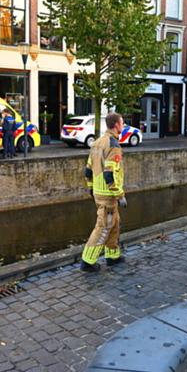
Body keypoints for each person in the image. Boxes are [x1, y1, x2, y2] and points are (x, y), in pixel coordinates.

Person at [80, 113, 127, 272]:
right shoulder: (113, 145)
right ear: (116, 125)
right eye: (122, 123)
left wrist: (91, 187)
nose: (123, 125)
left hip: (98, 193)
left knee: (114, 224)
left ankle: (113, 256)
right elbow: (110, 173)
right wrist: (119, 195)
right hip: (109, 195)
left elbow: (88, 170)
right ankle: (88, 261)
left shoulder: (97, 142)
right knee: (104, 227)